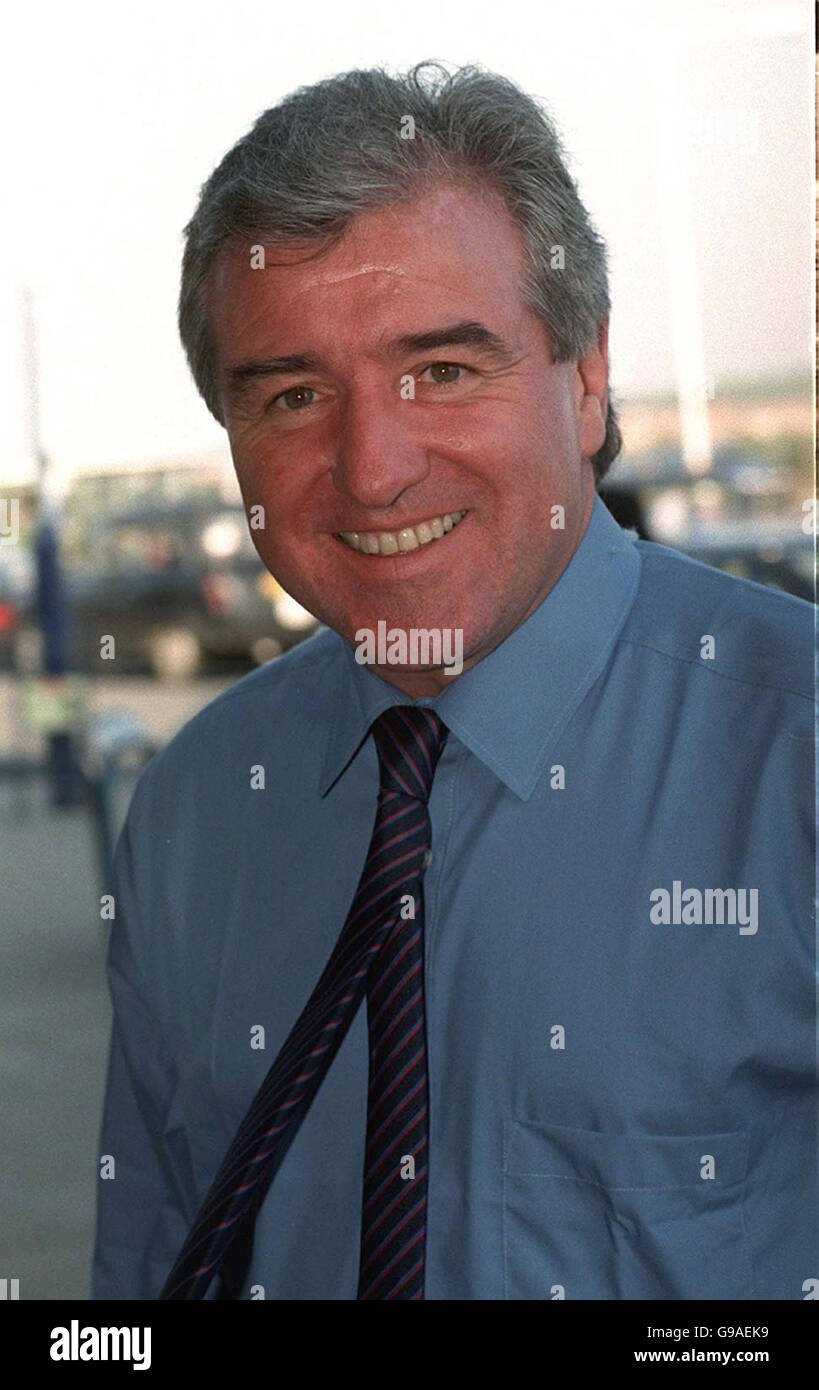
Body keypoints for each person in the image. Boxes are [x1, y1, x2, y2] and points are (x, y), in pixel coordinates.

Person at [91, 61, 815, 1301]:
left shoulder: (791, 763)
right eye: (294, 394)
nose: (371, 469)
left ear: (587, 379)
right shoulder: (194, 811)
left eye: (443, 370)